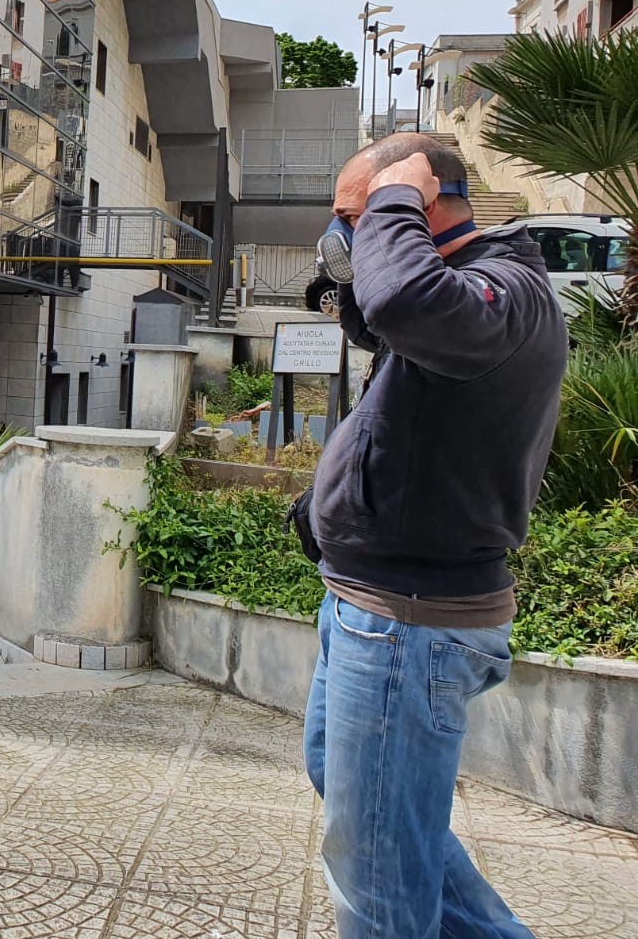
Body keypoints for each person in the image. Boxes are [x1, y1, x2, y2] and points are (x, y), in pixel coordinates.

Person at [299, 134, 567, 939]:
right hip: (376, 606)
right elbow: (388, 322)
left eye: (359, 215)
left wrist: (390, 197)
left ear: (424, 200)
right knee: (364, 809)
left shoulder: (504, 292)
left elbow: (406, 305)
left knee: (376, 888)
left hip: (407, 624)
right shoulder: (462, 291)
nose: (350, 233)